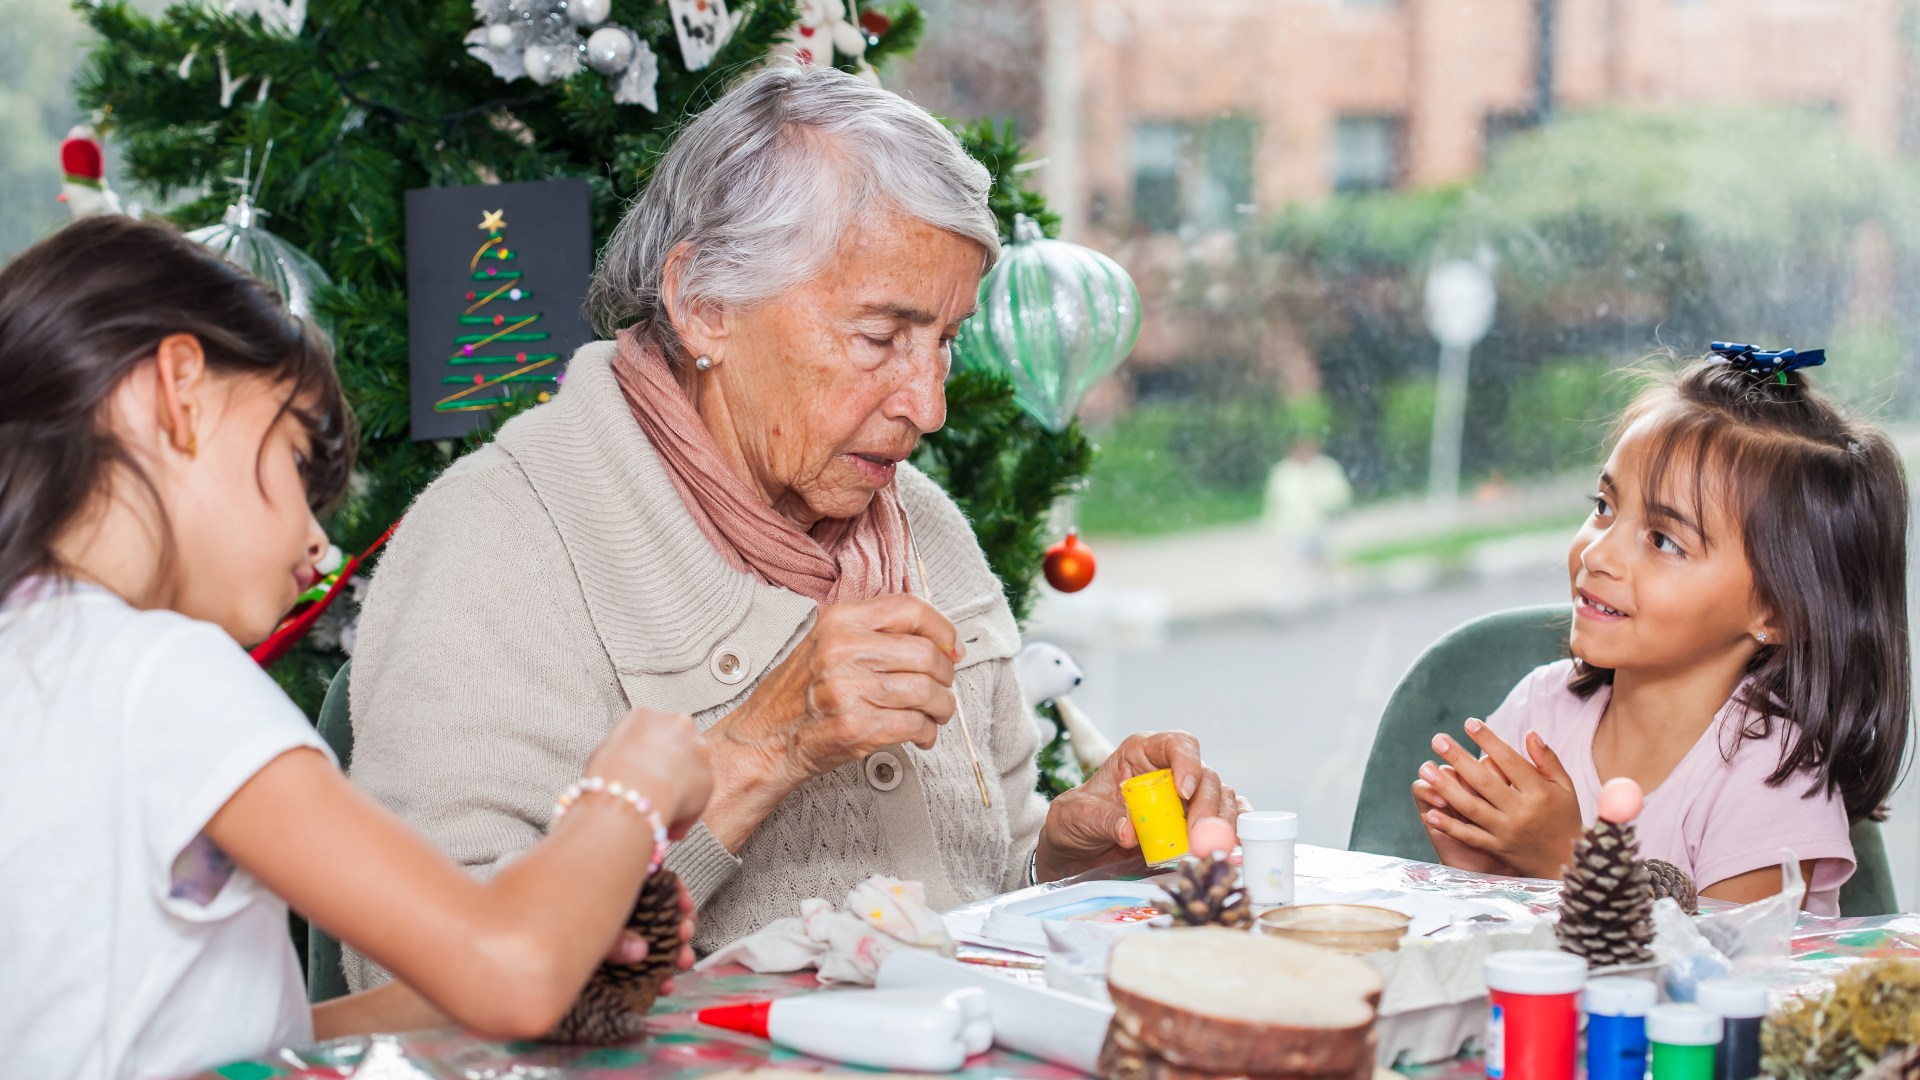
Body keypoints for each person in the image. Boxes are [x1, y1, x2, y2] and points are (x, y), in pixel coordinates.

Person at [342, 65, 1245, 987]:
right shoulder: (501, 539)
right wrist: (766, 746)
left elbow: (964, 907)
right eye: (879, 337)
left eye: (945, 341)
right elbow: (417, 984)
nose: (928, 405)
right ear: (704, 305)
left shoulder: (922, 527)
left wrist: (1060, 864)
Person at [0, 217, 713, 1080]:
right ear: (177, 390)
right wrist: (632, 784)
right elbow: (510, 974)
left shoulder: (40, 660)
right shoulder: (160, 675)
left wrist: (560, 940)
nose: (321, 548)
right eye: (299, 463)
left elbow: (211, 1033)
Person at [1411, 347, 1909, 914]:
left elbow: (1727, 980)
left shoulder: (1772, 778)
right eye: (1604, 505)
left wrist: (1568, 862)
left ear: (1777, 611)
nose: (1598, 553)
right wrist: (1486, 871)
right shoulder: (1538, 711)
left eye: (1664, 540)